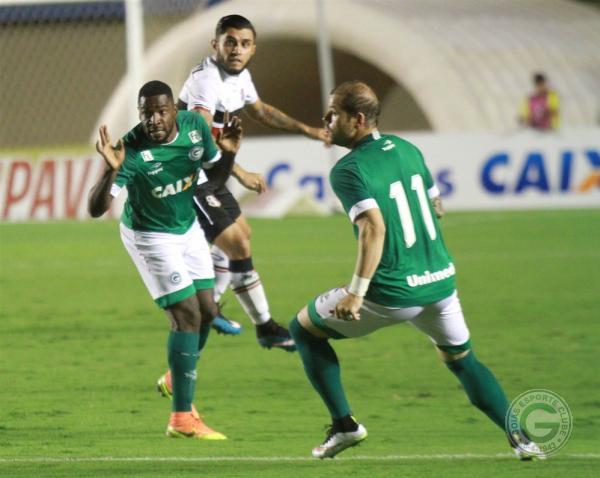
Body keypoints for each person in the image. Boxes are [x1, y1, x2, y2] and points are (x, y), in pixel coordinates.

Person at [288, 80, 545, 460]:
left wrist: (357, 292)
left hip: (393, 291)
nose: (326, 120)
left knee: (303, 331)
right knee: (462, 359)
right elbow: (436, 205)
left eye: (333, 114)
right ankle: (523, 440)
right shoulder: (408, 149)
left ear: (357, 120)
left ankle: (344, 425)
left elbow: (373, 227)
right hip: (440, 283)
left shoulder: (348, 169)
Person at [88, 80, 242, 440]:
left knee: (207, 310)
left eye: (161, 111)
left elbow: (213, 182)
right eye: (146, 114)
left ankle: (176, 376)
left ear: (175, 109)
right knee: (186, 315)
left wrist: (230, 154)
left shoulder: (195, 127)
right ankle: (181, 419)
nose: (154, 120)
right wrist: (110, 169)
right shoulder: (131, 149)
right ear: (139, 115)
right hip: (149, 236)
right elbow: (96, 209)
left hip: (185, 228)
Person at [177, 14, 330, 352]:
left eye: (244, 44)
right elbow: (200, 137)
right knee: (237, 245)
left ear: (253, 49)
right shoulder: (206, 80)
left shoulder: (240, 77)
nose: (237, 49)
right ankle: (237, 317)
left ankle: (232, 314)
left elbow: (261, 111)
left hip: (210, 173)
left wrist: (309, 131)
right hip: (188, 173)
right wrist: (241, 171)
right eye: (230, 41)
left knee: (242, 237)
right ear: (215, 43)